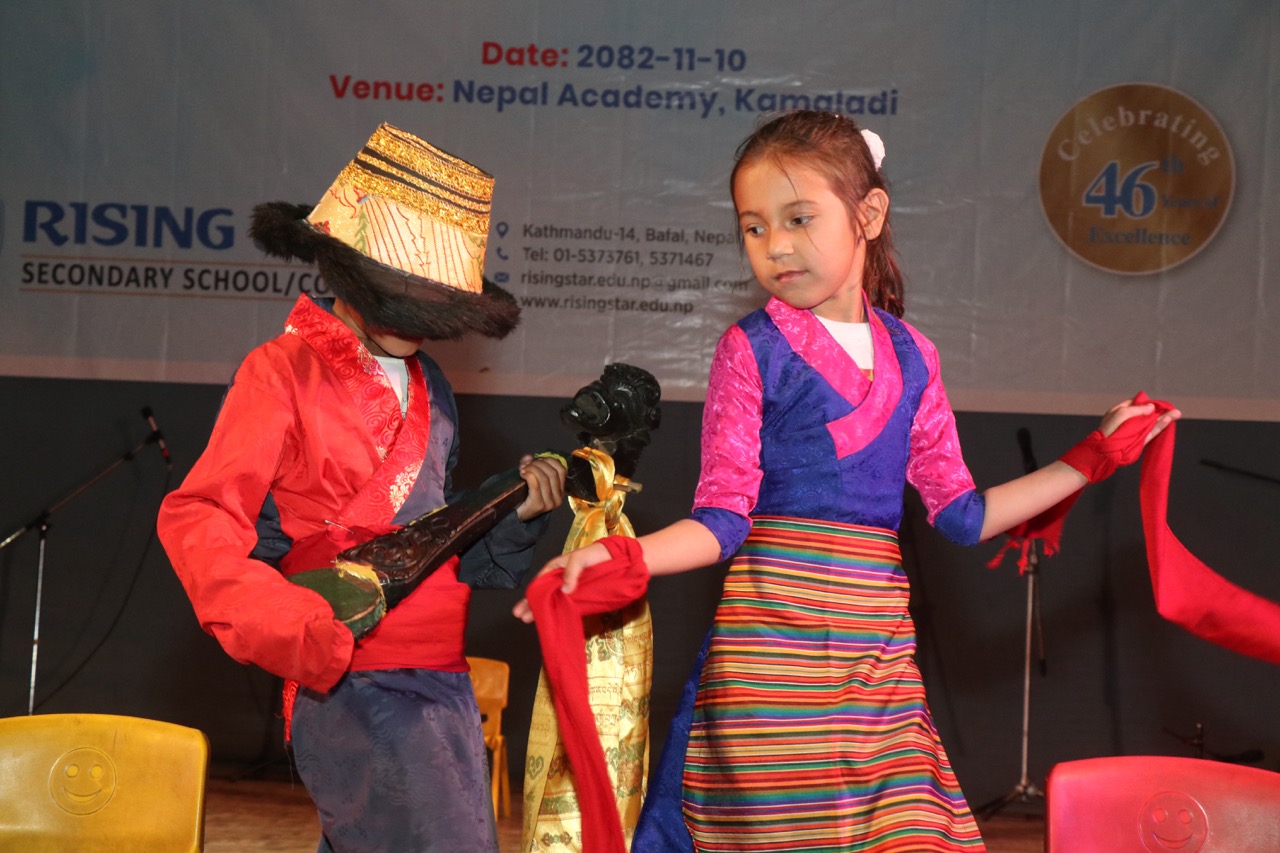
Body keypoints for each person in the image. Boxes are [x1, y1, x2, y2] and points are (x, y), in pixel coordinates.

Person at [515, 110, 1179, 852]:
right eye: (753, 227)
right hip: (770, 658)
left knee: (917, 834)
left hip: (876, 660)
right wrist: (620, 555)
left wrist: (1095, 453)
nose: (775, 244)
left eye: (798, 218)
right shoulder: (751, 349)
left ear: (869, 213)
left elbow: (962, 514)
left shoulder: (915, 356)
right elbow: (722, 519)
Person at [158, 123, 565, 853]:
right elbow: (203, 514)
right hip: (347, 672)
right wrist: (289, 624)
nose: (420, 325)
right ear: (350, 275)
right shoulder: (280, 371)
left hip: (441, 680)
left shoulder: (433, 386)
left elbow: (436, 536)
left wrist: (514, 513)